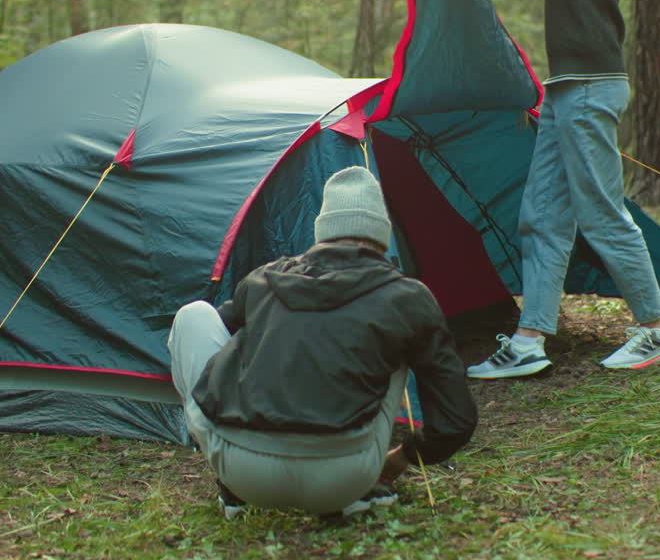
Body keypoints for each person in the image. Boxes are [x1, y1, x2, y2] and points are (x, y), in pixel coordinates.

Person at [394, 0, 660, 378]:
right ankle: (530, 341)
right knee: (542, 218)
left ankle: (659, 329)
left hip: (590, 86)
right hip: (566, 89)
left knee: (600, 212)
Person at [167, 166, 477, 519]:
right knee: (397, 339)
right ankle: (359, 494)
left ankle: (230, 487)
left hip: (241, 469)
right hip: (345, 478)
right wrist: (403, 457)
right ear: (382, 235)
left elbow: (215, 338)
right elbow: (455, 421)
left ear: (323, 231)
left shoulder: (264, 280)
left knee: (194, 316)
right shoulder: (407, 296)